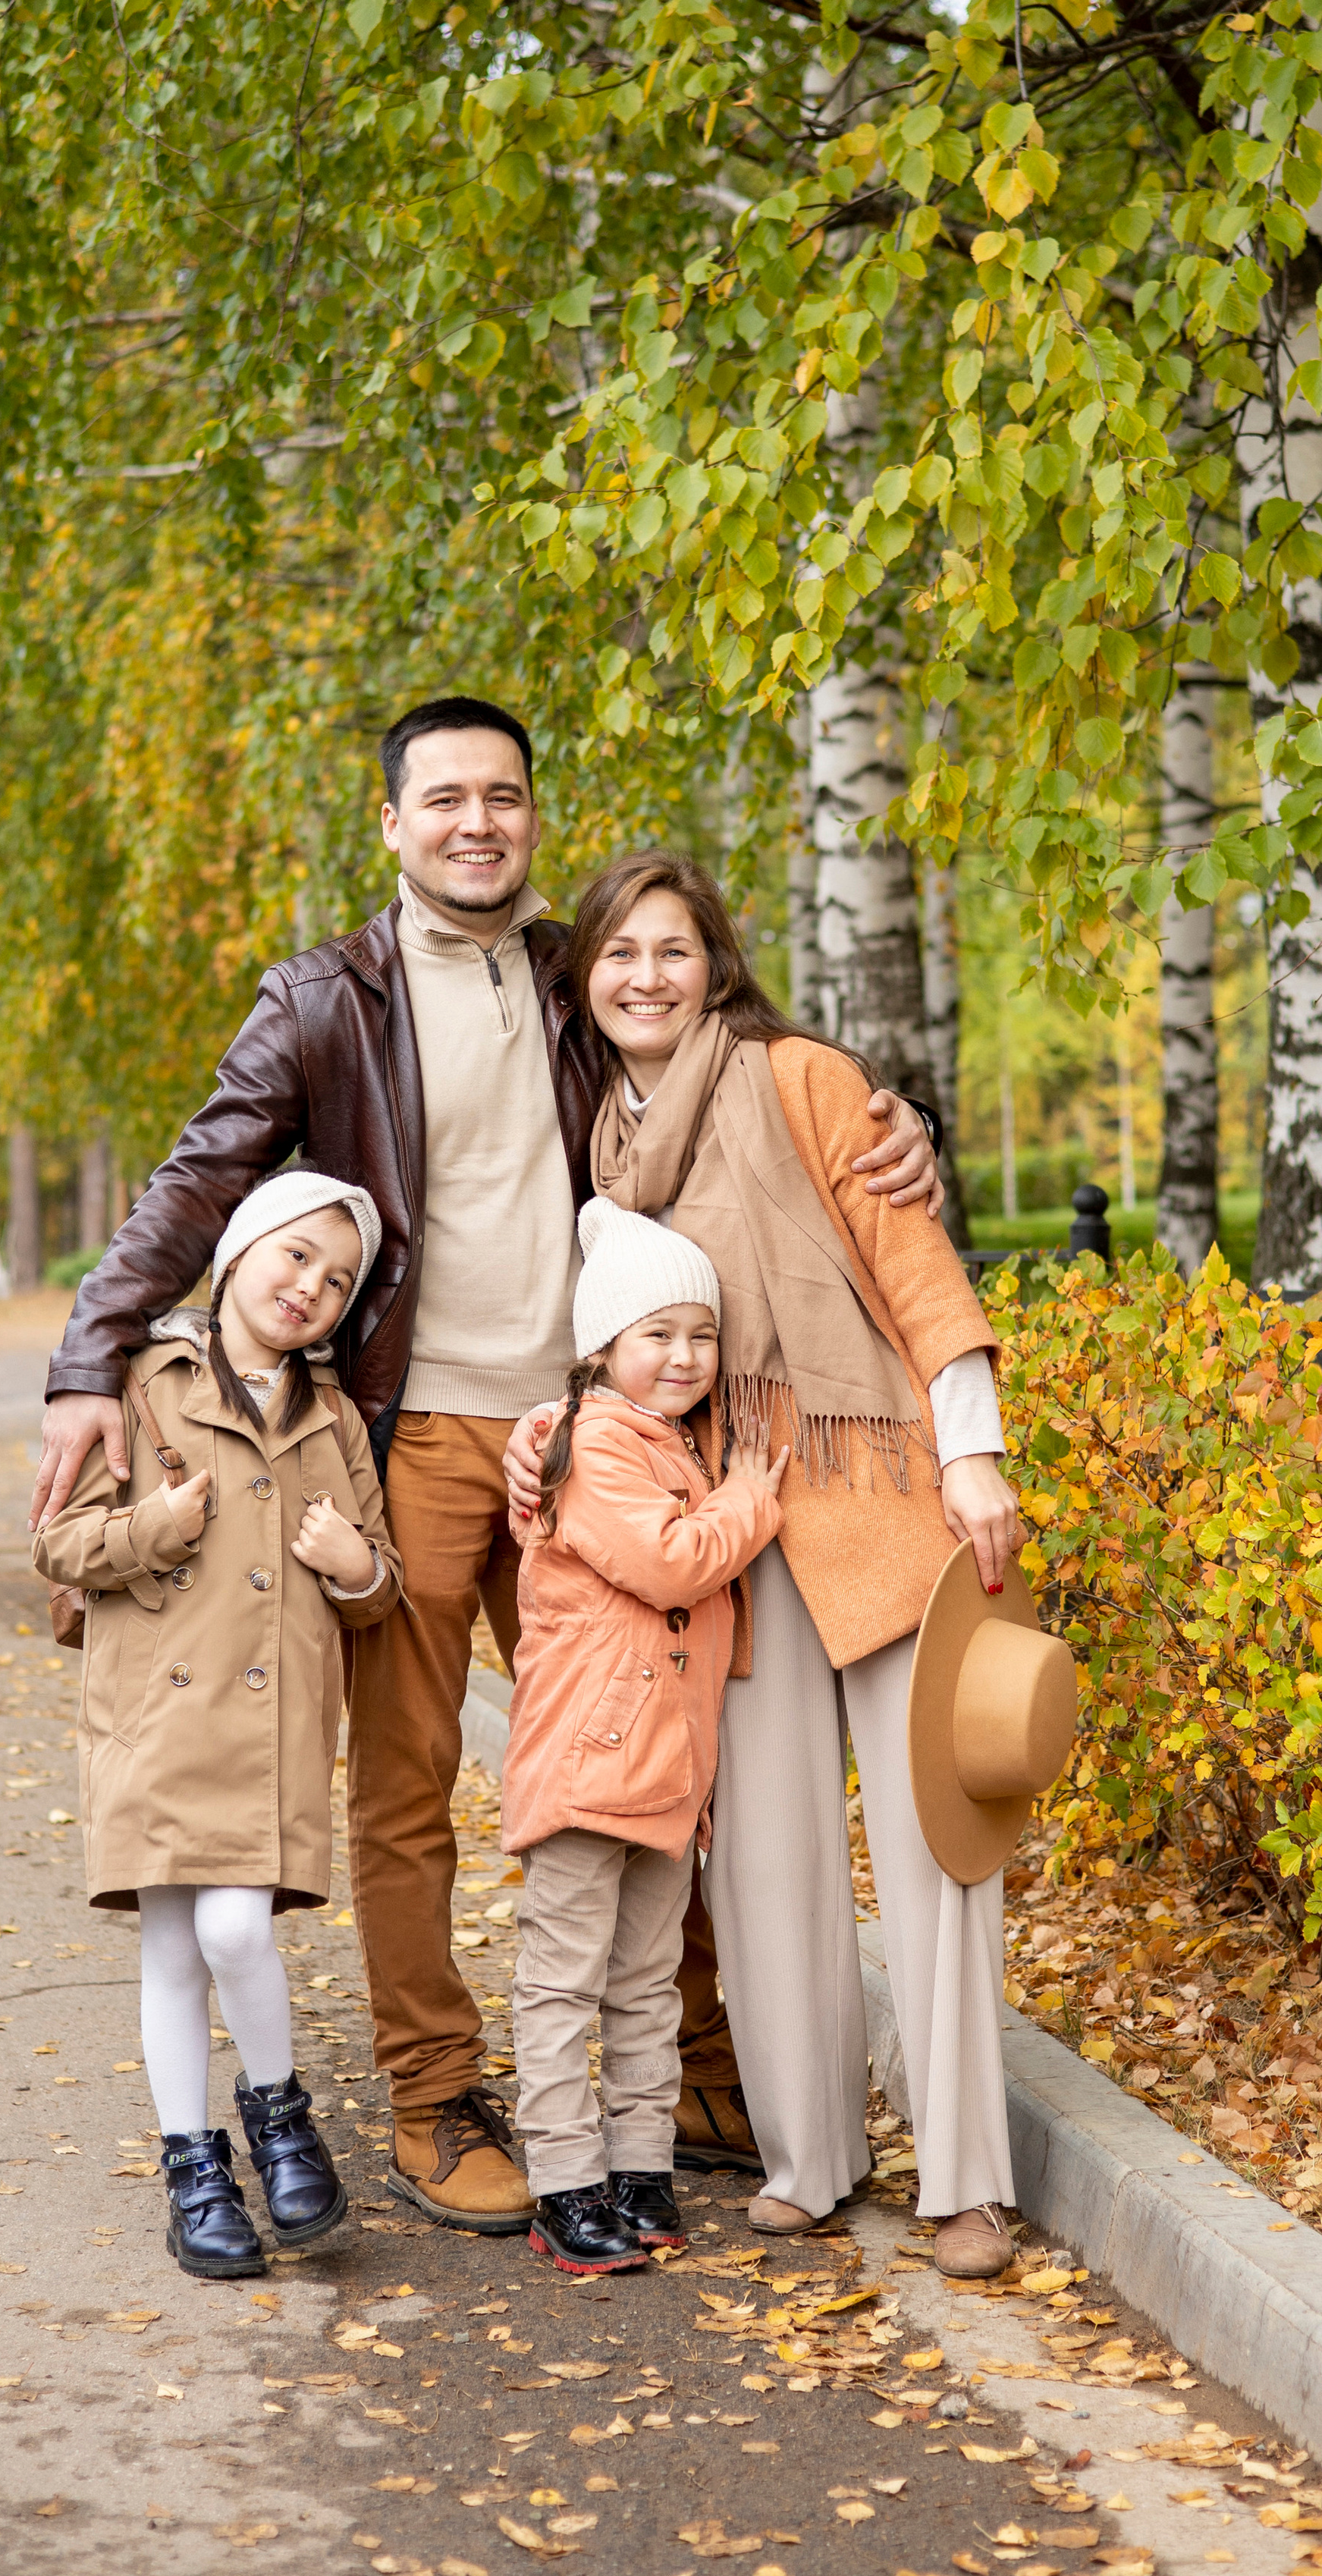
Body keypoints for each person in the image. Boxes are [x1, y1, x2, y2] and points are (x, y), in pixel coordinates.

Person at [30, 693, 944, 2232]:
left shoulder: (572, 981)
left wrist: (880, 1109)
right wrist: (83, 1363)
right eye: (442, 797)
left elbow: (725, 1054)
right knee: (408, 1785)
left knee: (665, 1745)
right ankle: (432, 2093)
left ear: (531, 817)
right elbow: (199, 1177)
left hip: (605, 1432)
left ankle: (700, 2061)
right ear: (389, 824)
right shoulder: (324, 998)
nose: (475, 822)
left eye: (501, 797)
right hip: (410, 1441)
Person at [506, 851, 1025, 2280]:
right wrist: (550, 1442)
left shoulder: (798, 1077)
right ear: (587, 976)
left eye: (673, 950)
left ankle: (965, 2179)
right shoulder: (601, 1134)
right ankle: (811, 2155)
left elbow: (908, 1255)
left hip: (866, 1484)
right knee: (764, 1858)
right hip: (711, 1523)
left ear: (716, 960)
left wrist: (973, 1445)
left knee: (932, 1852)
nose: (646, 977)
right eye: (619, 954)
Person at [33, 1171, 401, 2280]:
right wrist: (153, 1527)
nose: (311, 1290)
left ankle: (279, 2113)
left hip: (270, 1721)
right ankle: (195, 2163)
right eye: (295, 1257)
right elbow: (60, 1547)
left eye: (338, 1282)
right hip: (154, 1712)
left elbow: (382, 1583)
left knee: (236, 1930)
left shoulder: (332, 1418)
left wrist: (355, 1570)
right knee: (172, 1950)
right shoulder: (140, 1385)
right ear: (237, 1254)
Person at [501, 1198, 787, 2276]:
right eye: (656, 1335)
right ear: (601, 1349)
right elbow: (672, 1564)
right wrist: (756, 1499)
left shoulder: (665, 1441)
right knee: (564, 1978)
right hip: (589, 1761)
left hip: (665, 1773)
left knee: (646, 1980)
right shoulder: (589, 1443)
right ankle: (564, 2181)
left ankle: (638, 2165)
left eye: (700, 1335)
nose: (683, 1356)